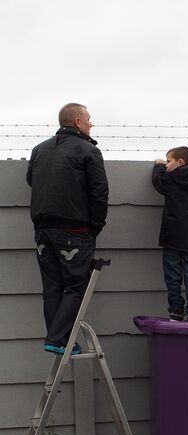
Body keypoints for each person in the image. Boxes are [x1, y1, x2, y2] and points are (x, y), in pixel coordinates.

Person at [27, 102, 109, 354]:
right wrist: (95, 226)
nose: (91, 124)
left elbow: (32, 179)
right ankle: (57, 338)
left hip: (42, 229)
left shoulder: (39, 149)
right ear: (77, 122)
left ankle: (59, 340)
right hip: (74, 230)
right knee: (76, 286)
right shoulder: (88, 150)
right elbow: (99, 193)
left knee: (52, 286)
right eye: (89, 119)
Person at [152, 146, 188, 322]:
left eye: (169, 161)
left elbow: (157, 183)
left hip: (172, 237)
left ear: (180, 162)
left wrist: (158, 166)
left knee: (172, 276)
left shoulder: (170, 180)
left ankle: (176, 311)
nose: (167, 165)